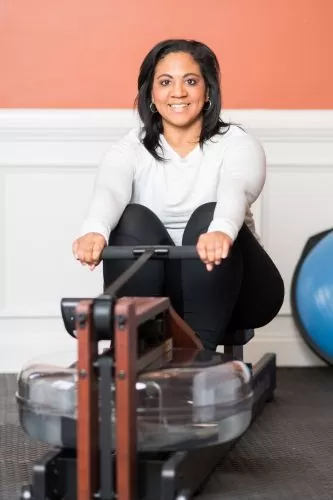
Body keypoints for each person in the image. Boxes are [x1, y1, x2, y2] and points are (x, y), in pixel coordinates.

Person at [72, 39, 284, 351]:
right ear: (151, 94)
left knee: (207, 214)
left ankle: (199, 357)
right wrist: (94, 231)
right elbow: (109, 191)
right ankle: (137, 350)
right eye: (165, 82)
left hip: (239, 291)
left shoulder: (238, 144)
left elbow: (235, 190)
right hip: (161, 291)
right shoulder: (128, 149)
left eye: (191, 81)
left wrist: (221, 230)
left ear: (208, 91)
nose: (178, 93)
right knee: (132, 218)